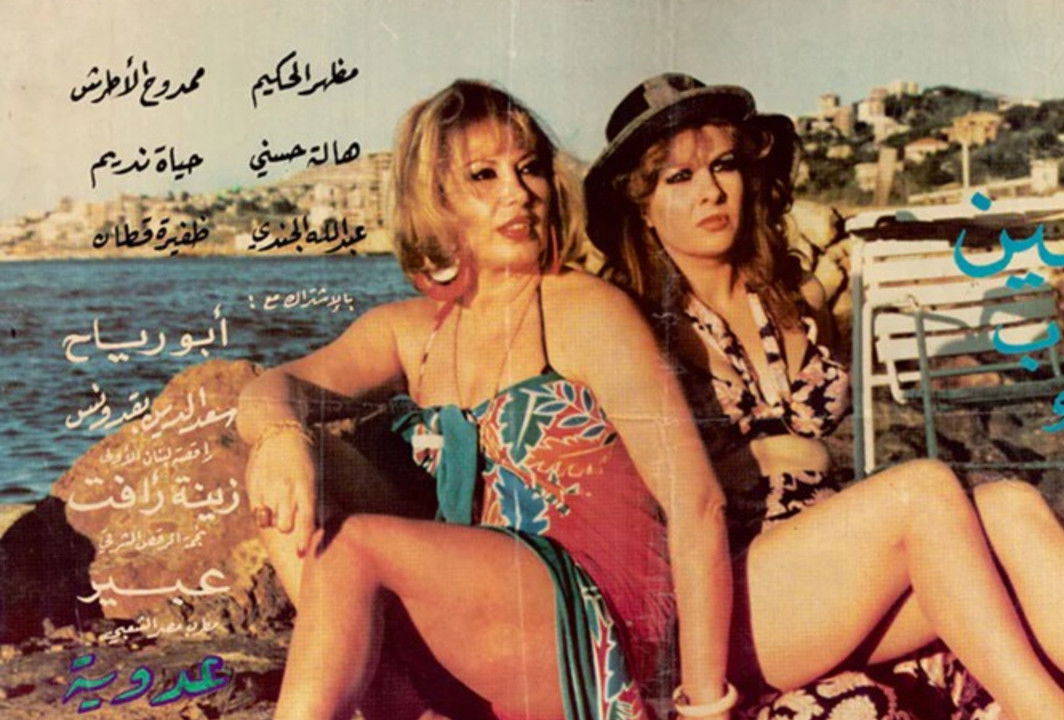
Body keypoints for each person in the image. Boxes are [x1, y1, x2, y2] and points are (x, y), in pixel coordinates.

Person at [584, 73, 1064, 720]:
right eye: (678, 178)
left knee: (1012, 507)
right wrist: (775, 457)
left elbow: (806, 433)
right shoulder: (635, 324)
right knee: (922, 491)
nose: (710, 191)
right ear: (639, 204)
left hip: (828, 579)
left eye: (724, 165)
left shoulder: (781, 300)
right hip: (727, 607)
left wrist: (792, 452)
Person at [236, 80, 737, 720]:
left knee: (356, 546)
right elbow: (271, 388)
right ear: (436, 201)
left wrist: (704, 704)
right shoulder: (415, 331)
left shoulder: (586, 310)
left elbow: (697, 503)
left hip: (596, 624)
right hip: (488, 622)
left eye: (529, 169)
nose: (518, 192)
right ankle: (404, 708)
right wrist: (280, 440)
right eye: (484, 175)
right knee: (290, 479)